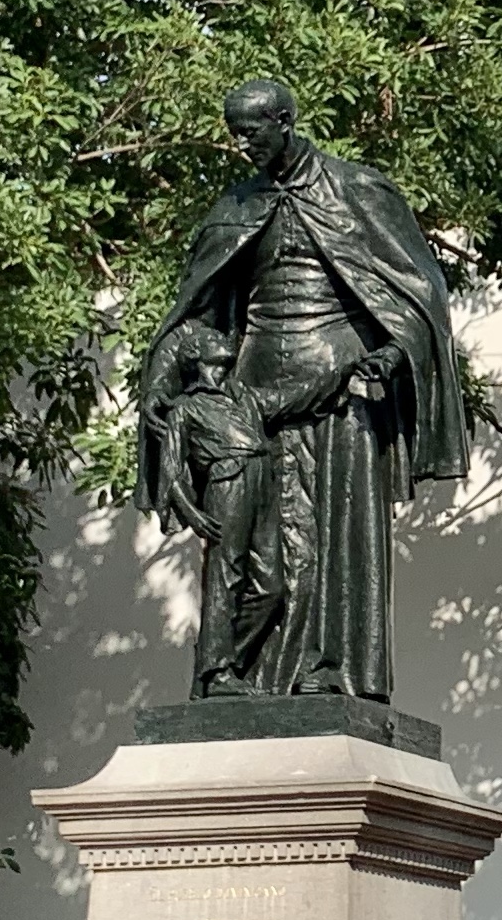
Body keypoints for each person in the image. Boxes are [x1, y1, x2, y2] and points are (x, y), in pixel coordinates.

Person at [137, 78, 465, 705]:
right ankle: (231, 674)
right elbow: (198, 307)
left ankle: (332, 669)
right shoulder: (238, 205)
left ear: (285, 122)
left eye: (251, 132)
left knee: (335, 534)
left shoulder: (357, 190)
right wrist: (161, 378)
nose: (242, 145)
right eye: (234, 134)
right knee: (248, 544)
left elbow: (419, 293)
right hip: (253, 397)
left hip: (340, 391)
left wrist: (392, 352)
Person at [137, 321, 282, 697]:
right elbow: (170, 472)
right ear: (197, 355)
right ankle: (218, 674)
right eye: (213, 339)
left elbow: (292, 398)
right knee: (225, 576)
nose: (223, 338)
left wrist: (340, 375)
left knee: (272, 587)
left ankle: (220, 660)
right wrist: (191, 512)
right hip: (228, 483)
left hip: (261, 480)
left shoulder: (243, 397)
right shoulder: (185, 408)